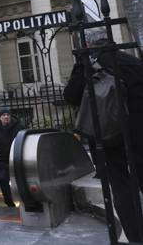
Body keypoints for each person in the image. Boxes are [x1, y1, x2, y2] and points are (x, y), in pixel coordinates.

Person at [63, 38, 143, 243]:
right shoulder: (131, 62)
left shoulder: (90, 66)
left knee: (120, 187)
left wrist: (81, 63)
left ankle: (135, 236)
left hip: (109, 137)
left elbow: (71, 96)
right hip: (138, 132)